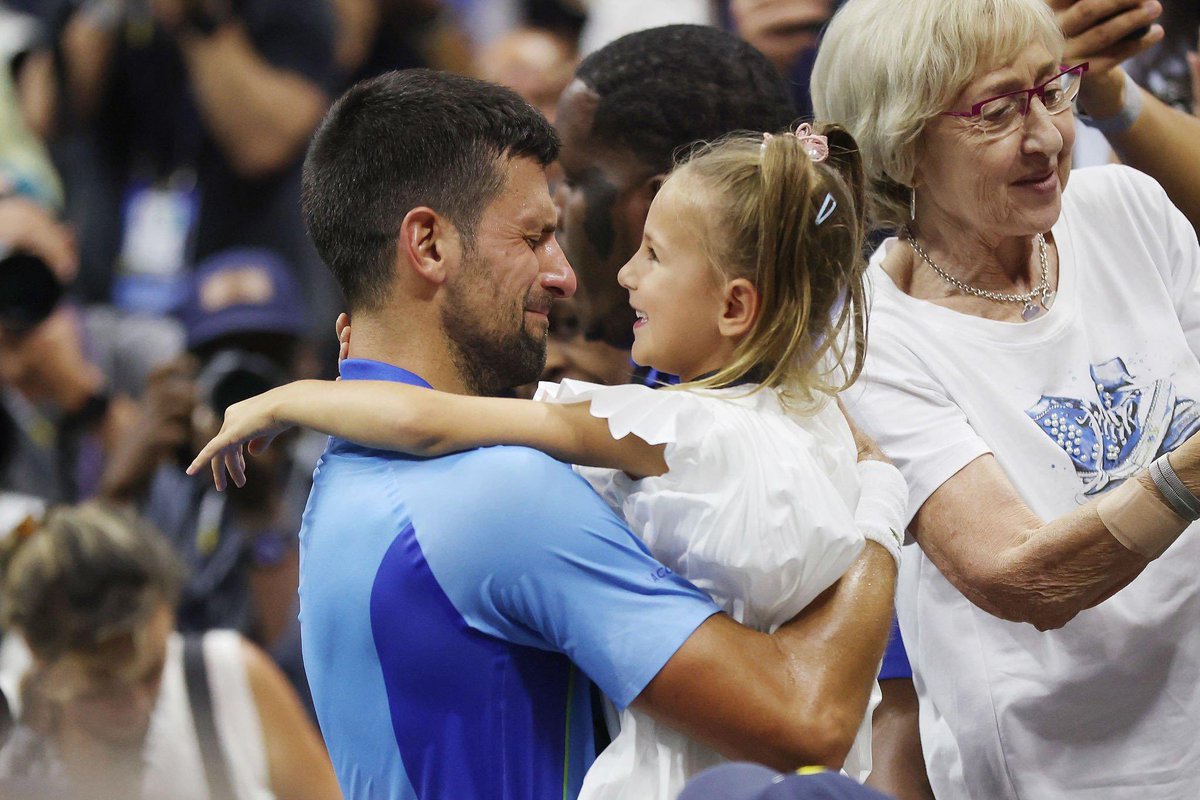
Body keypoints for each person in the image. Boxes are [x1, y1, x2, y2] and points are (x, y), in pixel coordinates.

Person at [192, 68, 899, 799]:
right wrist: (880, 506)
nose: (567, 274)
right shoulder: (500, 491)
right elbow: (808, 722)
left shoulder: (347, 467)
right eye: (534, 237)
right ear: (428, 244)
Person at [812, 0, 1200, 796]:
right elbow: (1022, 579)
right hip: (1066, 768)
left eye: (1052, 89)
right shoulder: (871, 340)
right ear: (902, 148)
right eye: (996, 112)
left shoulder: (1128, 210)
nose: (1048, 138)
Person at [0, 501, 339, 800]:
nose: (137, 703)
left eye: (153, 672)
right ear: (37, 654)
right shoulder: (12, 749)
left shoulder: (225, 676)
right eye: (103, 686)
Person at [555, 24, 798, 354]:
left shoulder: (754, 393)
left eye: (573, 181)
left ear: (662, 200)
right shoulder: (676, 360)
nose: (554, 212)